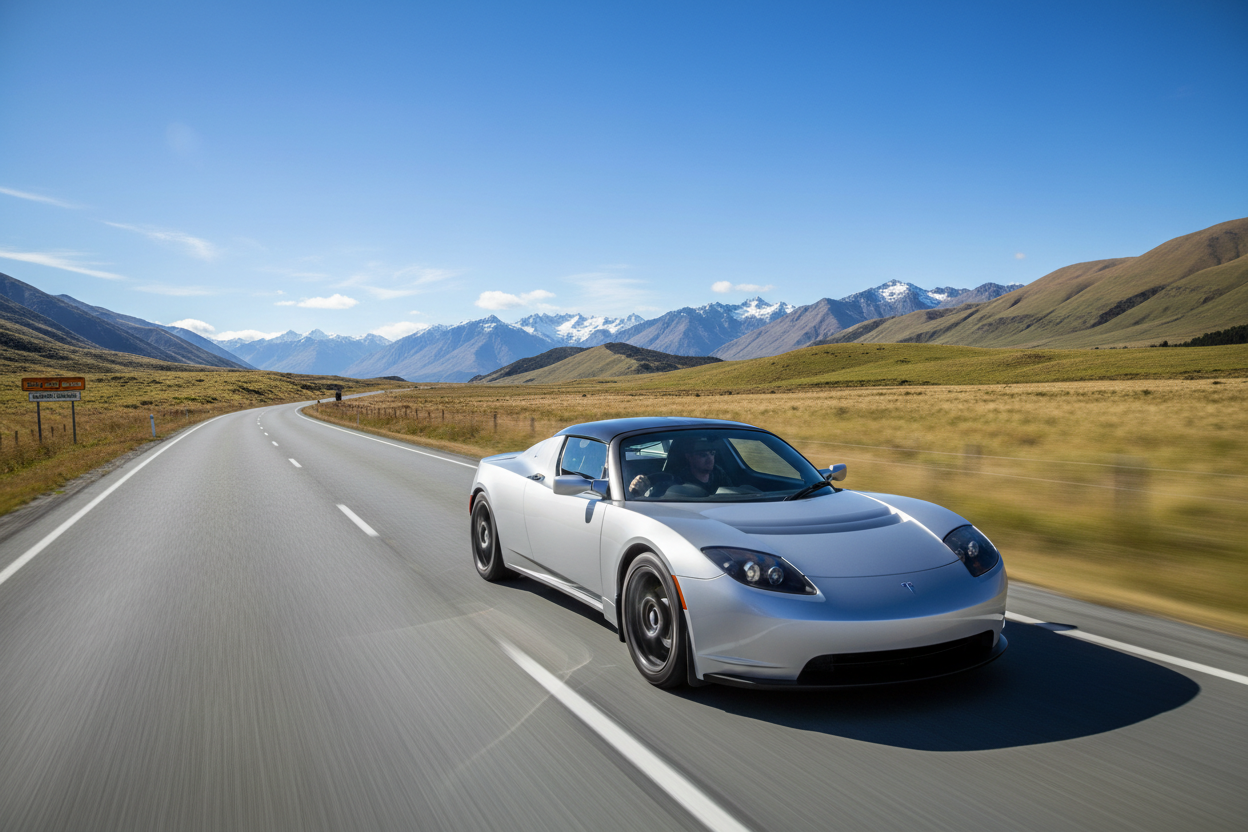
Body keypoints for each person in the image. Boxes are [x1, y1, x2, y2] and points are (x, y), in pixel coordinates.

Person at [628, 436, 732, 498]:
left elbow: (735, 492)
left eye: (712, 454)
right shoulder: (673, 480)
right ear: (689, 457)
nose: (710, 459)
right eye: (703, 455)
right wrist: (638, 489)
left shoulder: (719, 474)